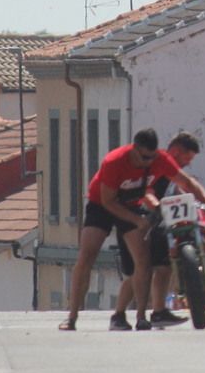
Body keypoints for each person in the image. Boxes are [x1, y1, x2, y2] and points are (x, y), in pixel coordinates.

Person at [59, 129, 175, 332]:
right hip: (102, 205)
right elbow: (108, 201)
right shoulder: (114, 161)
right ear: (134, 149)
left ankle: (141, 316)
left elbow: (185, 181)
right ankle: (72, 316)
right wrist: (137, 220)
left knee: (143, 260)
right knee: (87, 255)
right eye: (145, 157)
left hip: (130, 203)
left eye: (152, 156)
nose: (149, 161)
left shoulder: (160, 159)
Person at [110, 132, 205, 329]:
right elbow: (146, 191)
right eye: (187, 158)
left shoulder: (171, 170)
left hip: (161, 224)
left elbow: (179, 189)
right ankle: (119, 316)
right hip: (137, 221)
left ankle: (159, 311)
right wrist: (156, 206)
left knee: (163, 266)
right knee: (137, 271)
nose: (188, 164)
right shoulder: (155, 165)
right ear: (175, 151)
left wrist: (202, 203)